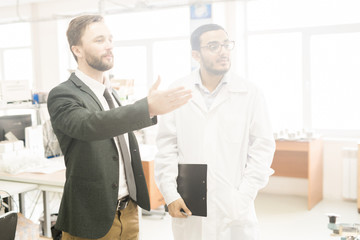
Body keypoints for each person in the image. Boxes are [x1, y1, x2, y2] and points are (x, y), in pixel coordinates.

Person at [47, 15, 192, 240]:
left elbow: (116, 128)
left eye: (110, 39)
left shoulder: (111, 92)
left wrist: (148, 109)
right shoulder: (63, 94)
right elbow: (90, 126)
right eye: (99, 40)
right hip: (91, 217)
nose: (109, 45)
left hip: (128, 211)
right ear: (77, 50)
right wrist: (147, 108)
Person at [155, 24, 275, 240]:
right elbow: (166, 148)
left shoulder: (250, 93)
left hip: (234, 201)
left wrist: (244, 196)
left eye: (226, 44)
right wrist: (170, 194)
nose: (223, 51)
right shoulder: (177, 91)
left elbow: (263, 149)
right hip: (190, 200)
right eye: (213, 46)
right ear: (195, 55)